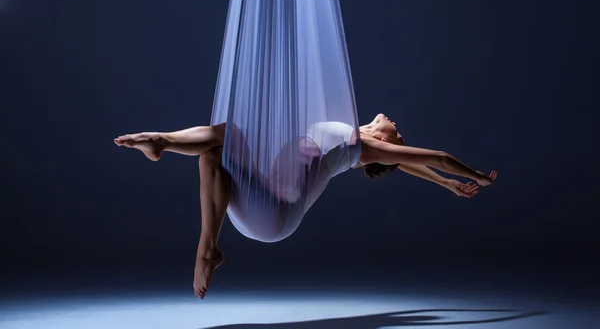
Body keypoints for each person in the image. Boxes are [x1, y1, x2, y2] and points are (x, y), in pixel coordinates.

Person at [114, 113, 497, 299]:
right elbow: (418, 165)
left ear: (388, 144)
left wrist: (475, 175)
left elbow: (438, 156)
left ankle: (162, 142)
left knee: (233, 135)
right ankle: (209, 248)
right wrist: (447, 184)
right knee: (212, 157)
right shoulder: (357, 139)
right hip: (257, 202)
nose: (398, 125)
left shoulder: (361, 147)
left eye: (399, 135)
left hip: (278, 210)